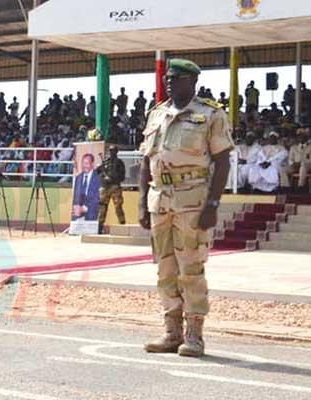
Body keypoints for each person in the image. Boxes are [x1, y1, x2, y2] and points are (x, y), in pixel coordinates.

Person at [139, 59, 233, 358]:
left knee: (191, 268)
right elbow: (145, 161)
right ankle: (171, 332)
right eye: (168, 77)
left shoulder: (210, 114)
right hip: (160, 200)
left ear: (192, 81)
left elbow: (222, 162)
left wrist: (213, 204)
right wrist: (142, 201)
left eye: (176, 78)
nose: (169, 82)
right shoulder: (156, 114)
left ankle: (194, 335)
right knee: (165, 269)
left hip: (193, 200)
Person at [97, 145, 126, 232]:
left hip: (115, 187)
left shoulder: (119, 163)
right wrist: (99, 169)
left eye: (113, 150)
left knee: (118, 207)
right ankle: (99, 227)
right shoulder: (105, 162)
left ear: (116, 152)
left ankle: (122, 225)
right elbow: (98, 173)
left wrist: (113, 178)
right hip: (105, 187)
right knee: (102, 207)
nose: (111, 152)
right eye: (110, 150)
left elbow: (122, 176)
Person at [71, 153, 100, 221]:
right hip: (78, 213)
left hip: (92, 211)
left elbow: (97, 198)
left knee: (92, 214)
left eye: (87, 163)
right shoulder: (78, 178)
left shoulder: (98, 178)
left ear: (92, 164)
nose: (84, 166)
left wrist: (84, 208)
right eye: (83, 163)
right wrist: (76, 207)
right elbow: (76, 196)